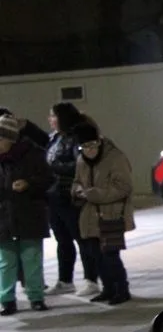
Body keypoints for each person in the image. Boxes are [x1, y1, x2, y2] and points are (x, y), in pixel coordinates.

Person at [71, 121, 134, 305]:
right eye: (84, 146)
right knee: (95, 255)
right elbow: (76, 181)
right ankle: (107, 288)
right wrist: (76, 191)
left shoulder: (115, 158)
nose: (89, 150)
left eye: (92, 145)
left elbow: (123, 187)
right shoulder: (81, 161)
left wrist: (91, 193)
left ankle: (121, 289)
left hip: (112, 214)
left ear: (99, 141)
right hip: (90, 216)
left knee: (110, 255)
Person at [45, 102, 100, 297]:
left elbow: (81, 164)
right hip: (54, 195)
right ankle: (65, 280)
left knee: (82, 238)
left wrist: (54, 166)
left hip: (71, 195)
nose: (50, 120)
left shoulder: (77, 137)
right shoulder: (54, 138)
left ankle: (91, 279)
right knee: (62, 240)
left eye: (53, 116)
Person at [0, 115, 53, 315]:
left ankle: (36, 297)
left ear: (10, 139)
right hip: (3, 218)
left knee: (32, 260)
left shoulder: (33, 155)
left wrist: (28, 184)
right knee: (5, 263)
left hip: (30, 215)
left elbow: (48, 179)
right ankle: (7, 300)